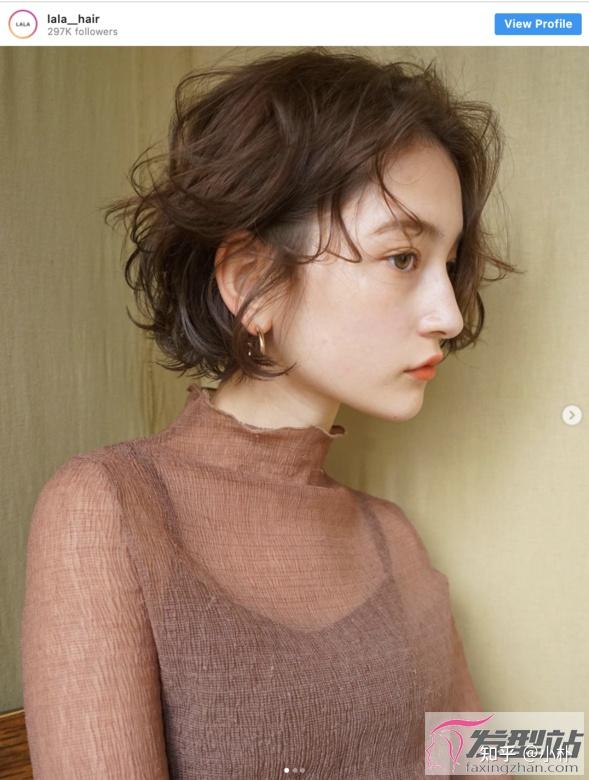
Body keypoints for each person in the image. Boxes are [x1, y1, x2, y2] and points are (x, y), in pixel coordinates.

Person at [20, 48, 518, 778]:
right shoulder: (111, 508)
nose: (448, 313)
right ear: (251, 280)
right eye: (402, 258)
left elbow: (477, 761)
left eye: (448, 264)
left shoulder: (394, 540)